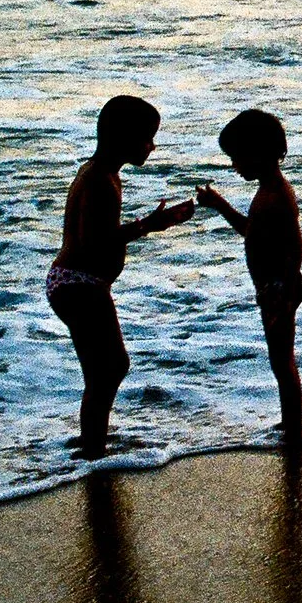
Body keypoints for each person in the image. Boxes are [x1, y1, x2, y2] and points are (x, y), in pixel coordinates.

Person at [48, 94, 195, 456]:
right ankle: (92, 449)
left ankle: (92, 441)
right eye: (147, 137)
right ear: (124, 138)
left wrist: (150, 224)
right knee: (109, 368)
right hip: (79, 283)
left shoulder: (103, 172)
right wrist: (149, 225)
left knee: (106, 369)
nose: (152, 146)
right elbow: (93, 241)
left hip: (76, 281)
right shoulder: (100, 179)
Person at [197, 108, 302, 444]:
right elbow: (251, 232)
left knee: (282, 363)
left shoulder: (276, 196)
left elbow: (296, 249)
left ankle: (293, 430)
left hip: (278, 287)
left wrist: (284, 293)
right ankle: (291, 424)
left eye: (237, 158)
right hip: (272, 287)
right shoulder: (268, 192)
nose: (235, 166)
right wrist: (220, 205)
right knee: (281, 361)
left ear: (258, 154)